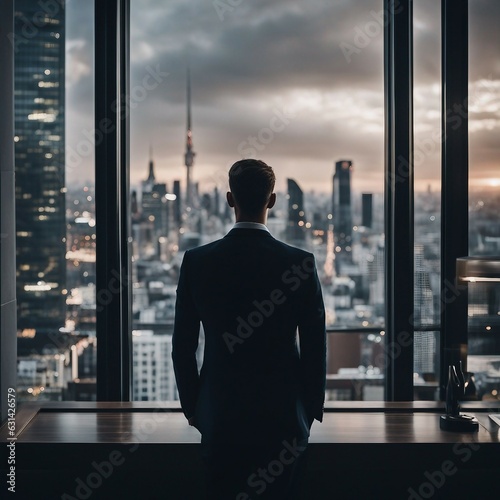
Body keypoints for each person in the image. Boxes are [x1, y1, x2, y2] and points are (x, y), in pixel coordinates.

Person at [172, 159, 326, 499]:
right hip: (284, 422)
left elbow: (183, 347)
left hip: (221, 420)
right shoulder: (299, 264)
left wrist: (195, 410)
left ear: (230, 199)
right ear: (272, 200)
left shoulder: (198, 262)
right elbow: (315, 345)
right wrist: (310, 411)